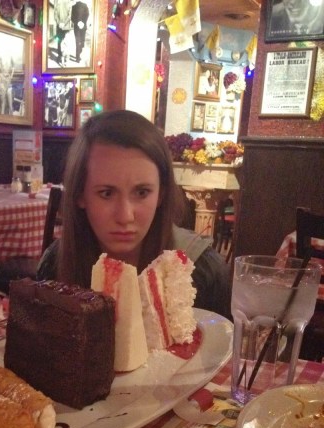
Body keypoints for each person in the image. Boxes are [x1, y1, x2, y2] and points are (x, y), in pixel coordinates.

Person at [36, 110, 231, 319]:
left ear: (161, 194)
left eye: (142, 192)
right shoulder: (54, 264)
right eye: (107, 193)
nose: (125, 216)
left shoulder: (203, 272)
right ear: (80, 195)